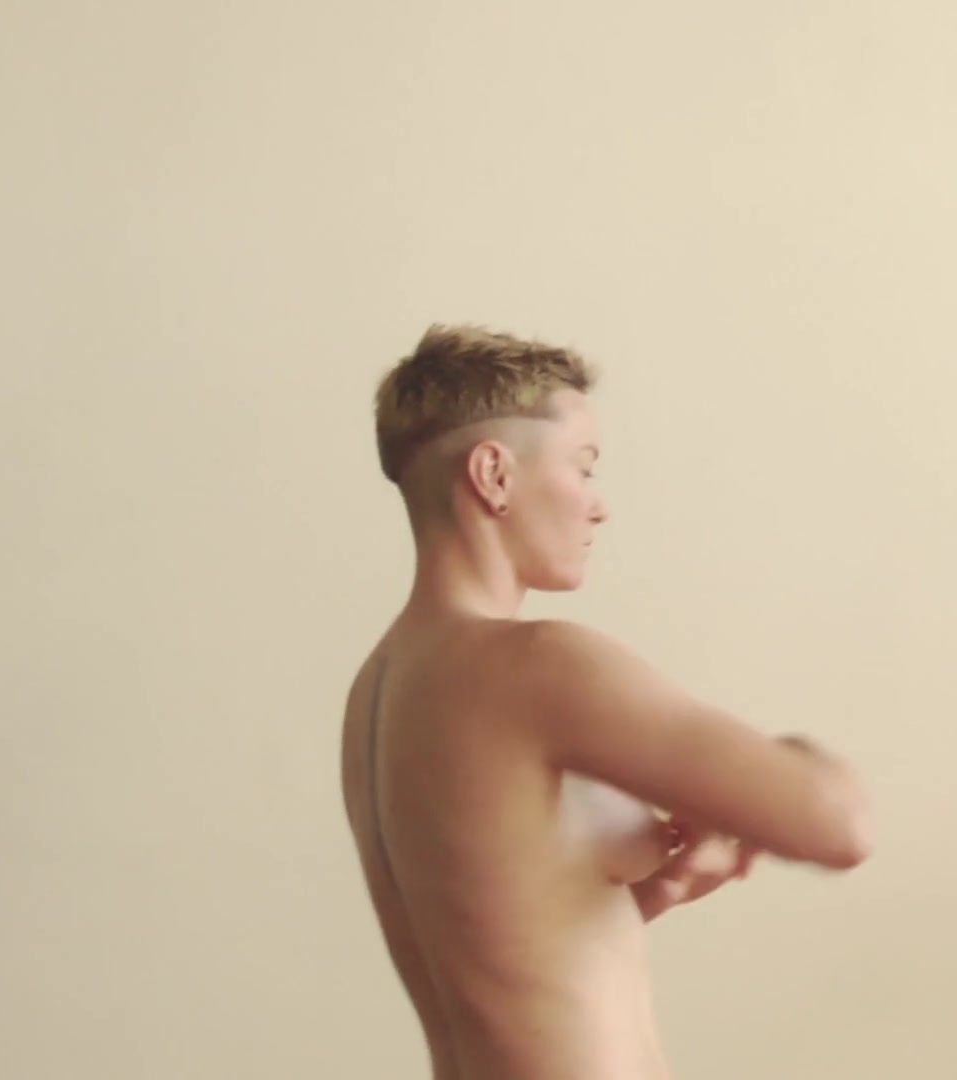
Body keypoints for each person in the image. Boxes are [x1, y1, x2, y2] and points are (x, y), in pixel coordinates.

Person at [340, 324, 875, 1079]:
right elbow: (839, 825)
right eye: (583, 467)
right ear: (493, 474)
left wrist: (661, 887)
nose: (598, 507)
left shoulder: (378, 693)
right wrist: (791, 759)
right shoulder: (535, 664)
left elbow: (499, 940)